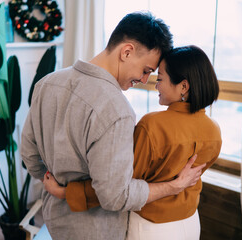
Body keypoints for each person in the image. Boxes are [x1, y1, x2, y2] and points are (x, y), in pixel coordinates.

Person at [21, 12, 205, 240]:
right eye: (146, 70)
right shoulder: (117, 110)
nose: (145, 79)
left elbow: (29, 154)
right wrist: (172, 187)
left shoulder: (46, 83)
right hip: (96, 230)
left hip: (54, 219)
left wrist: (56, 184)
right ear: (126, 52)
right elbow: (115, 197)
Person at [43, 45, 222, 240]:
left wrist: (66, 193)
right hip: (190, 222)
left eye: (160, 79)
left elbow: (119, 187)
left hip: (151, 228)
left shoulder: (152, 126)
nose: (155, 85)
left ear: (184, 86)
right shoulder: (214, 130)